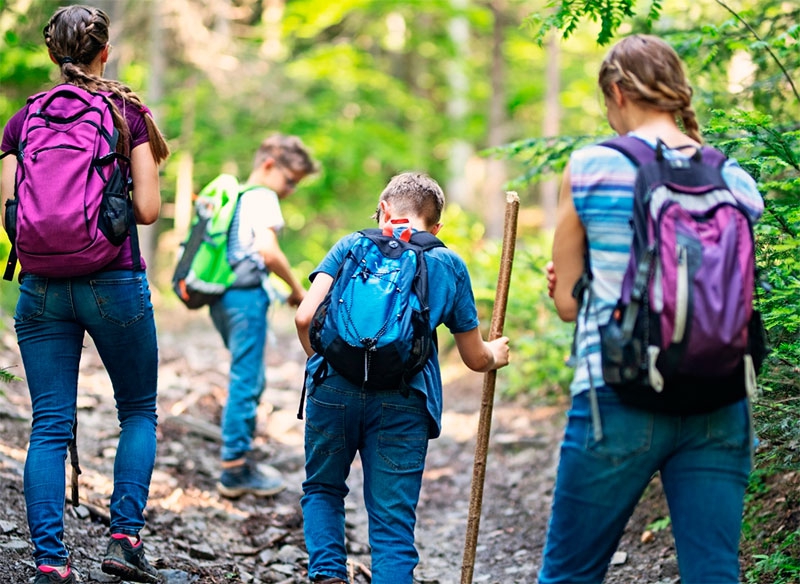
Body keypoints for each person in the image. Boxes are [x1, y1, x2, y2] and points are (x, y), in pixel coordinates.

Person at [540, 34, 764, 583]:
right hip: (721, 395)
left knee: (569, 575)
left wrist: (573, 282)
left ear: (617, 91)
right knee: (714, 573)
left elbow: (569, 305)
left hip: (617, 392)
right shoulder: (734, 179)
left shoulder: (591, 167)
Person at [0, 5, 170, 584]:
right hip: (113, 279)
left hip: (40, 286)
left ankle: (50, 562)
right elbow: (146, 210)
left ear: (53, 54)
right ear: (106, 51)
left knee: (49, 423)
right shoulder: (127, 112)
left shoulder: (23, 120)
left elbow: (12, 215)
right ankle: (123, 540)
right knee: (138, 410)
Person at [294, 172, 511, 584]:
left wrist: (329, 361)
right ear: (437, 225)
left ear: (384, 209)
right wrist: (495, 355)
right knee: (392, 521)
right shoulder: (448, 264)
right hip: (403, 398)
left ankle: (327, 575)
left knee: (323, 489)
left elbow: (305, 316)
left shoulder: (351, 244)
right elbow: (473, 357)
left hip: (332, 391)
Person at [210, 133, 316, 498]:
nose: (289, 189)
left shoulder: (238, 197)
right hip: (246, 298)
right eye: (289, 180)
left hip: (223, 297)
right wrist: (297, 288)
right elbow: (267, 250)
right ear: (269, 165)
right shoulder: (262, 196)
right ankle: (235, 468)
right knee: (248, 380)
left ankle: (237, 458)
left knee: (245, 375)